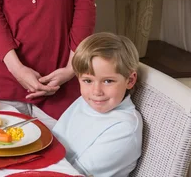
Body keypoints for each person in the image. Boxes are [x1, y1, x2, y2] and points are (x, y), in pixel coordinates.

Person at [53, 32, 143, 177]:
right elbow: (54, 142)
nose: (96, 91)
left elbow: (76, 174)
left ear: (130, 80)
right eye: (87, 81)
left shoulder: (125, 128)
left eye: (108, 81)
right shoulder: (85, 102)